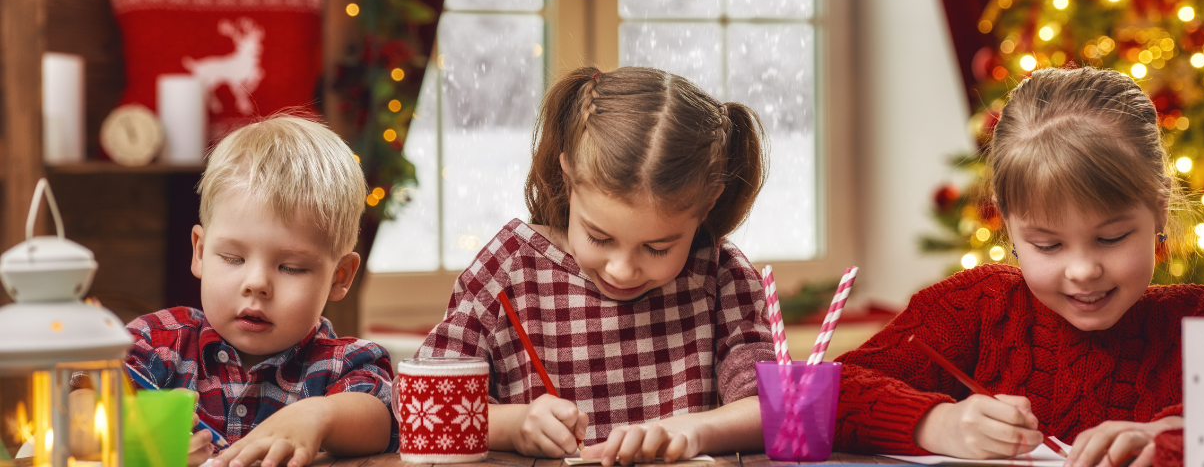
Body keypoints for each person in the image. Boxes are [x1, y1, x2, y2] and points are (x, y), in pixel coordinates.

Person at [834, 66, 1204, 467]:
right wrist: (936, 423)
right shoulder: (976, 307)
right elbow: (827, 394)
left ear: (1160, 208)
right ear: (1008, 225)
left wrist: (1176, 435)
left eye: (1111, 238)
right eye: (1047, 245)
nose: (1082, 270)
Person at [417, 66, 776, 466]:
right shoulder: (509, 270)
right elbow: (420, 404)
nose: (622, 270)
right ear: (568, 179)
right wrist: (513, 425)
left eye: (656, 248)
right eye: (600, 238)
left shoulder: (721, 277)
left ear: (707, 205)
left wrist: (691, 430)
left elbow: (774, 408)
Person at [125, 116, 397, 467]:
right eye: (233, 257)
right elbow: (80, 408)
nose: (256, 284)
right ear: (199, 252)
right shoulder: (159, 342)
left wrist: (318, 416)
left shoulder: (342, 364)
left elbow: (381, 417)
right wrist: (139, 434)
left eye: (291, 268)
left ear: (339, 277)